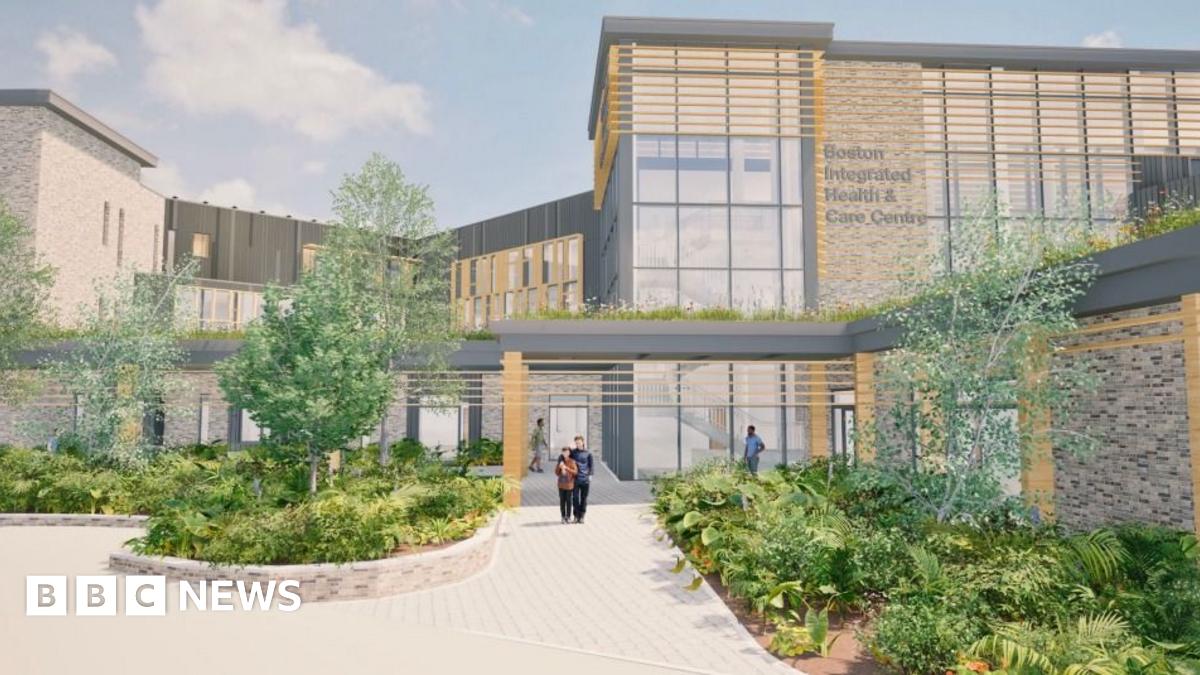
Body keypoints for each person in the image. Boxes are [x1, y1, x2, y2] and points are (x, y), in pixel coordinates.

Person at [569, 434, 593, 524]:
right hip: (575, 479)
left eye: (579, 442)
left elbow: (591, 465)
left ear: (583, 442)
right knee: (575, 498)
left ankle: (582, 516)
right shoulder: (573, 453)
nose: (578, 444)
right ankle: (576, 516)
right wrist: (569, 448)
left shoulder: (588, 453)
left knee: (584, 498)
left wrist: (590, 475)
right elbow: (565, 456)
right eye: (576, 443)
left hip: (585, 479)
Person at [554, 447, 578, 524]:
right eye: (564, 452)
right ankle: (563, 517)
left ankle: (568, 517)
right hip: (561, 485)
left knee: (568, 501)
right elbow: (557, 473)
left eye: (567, 452)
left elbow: (575, 472)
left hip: (569, 485)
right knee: (562, 501)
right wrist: (559, 467)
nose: (565, 454)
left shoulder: (572, 461)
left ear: (569, 453)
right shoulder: (560, 461)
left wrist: (566, 468)